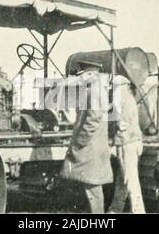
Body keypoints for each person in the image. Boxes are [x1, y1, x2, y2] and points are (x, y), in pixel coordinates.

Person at [59, 60, 113, 213]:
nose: (80, 78)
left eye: (81, 75)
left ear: (90, 74)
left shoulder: (95, 90)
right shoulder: (93, 89)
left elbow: (93, 119)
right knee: (89, 184)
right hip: (92, 144)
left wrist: (80, 142)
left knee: (92, 185)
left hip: (90, 146)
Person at [108, 75, 145, 213]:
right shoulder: (129, 99)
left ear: (123, 86)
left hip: (126, 143)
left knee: (130, 180)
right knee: (123, 179)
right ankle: (115, 210)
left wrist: (113, 143)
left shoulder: (123, 100)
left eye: (115, 87)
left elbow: (121, 125)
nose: (113, 90)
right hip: (131, 142)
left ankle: (138, 211)